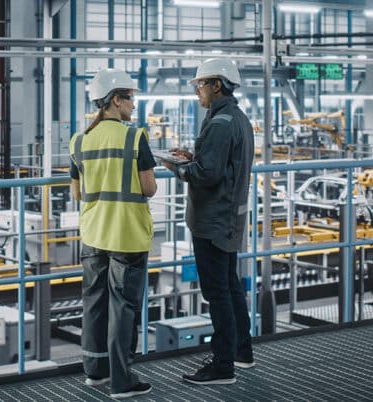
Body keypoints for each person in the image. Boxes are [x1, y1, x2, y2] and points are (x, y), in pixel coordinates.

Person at [163, 58, 255, 385]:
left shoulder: (219, 123)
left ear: (217, 85)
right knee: (230, 286)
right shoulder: (237, 118)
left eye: (201, 84)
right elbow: (221, 163)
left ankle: (222, 366)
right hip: (228, 218)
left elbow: (208, 175)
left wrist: (177, 167)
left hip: (212, 221)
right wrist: (194, 157)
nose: (197, 91)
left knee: (217, 293)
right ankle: (241, 352)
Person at [69, 68, 157, 400]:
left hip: (93, 234)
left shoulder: (79, 140)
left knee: (94, 302)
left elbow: (77, 193)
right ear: (115, 100)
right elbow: (148, 188)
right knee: (123, 308)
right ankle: (122, 382)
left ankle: (95, 372)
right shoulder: (135, 137)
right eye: (130, 98)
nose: (133, 105)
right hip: (127, 235)